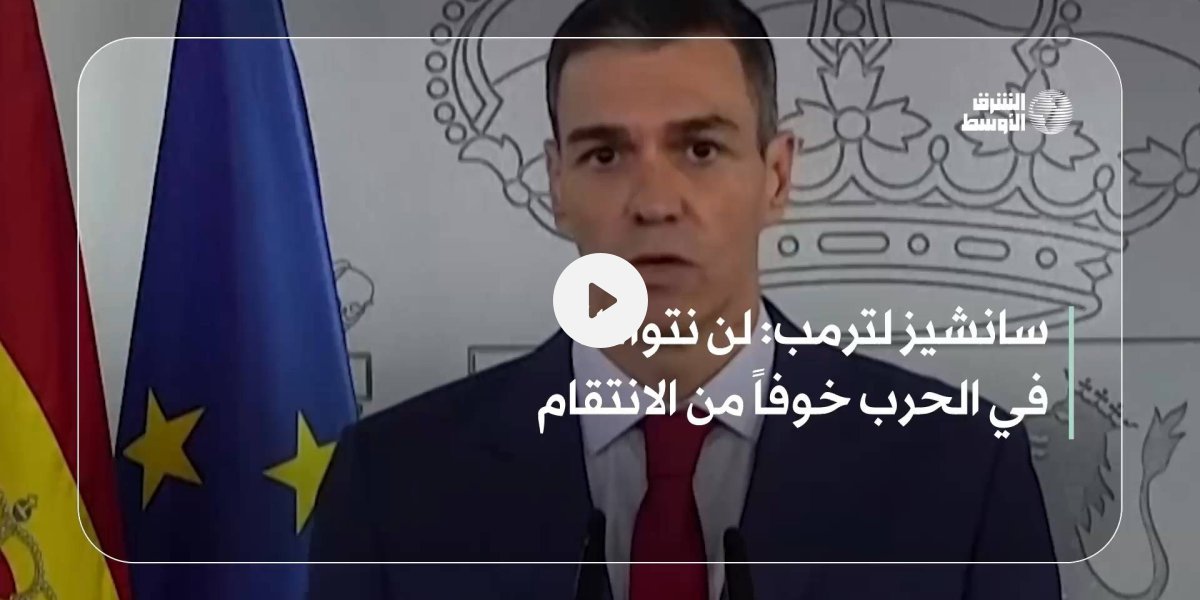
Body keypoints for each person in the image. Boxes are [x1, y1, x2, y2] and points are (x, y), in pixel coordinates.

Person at [308, 0, 1060, 598]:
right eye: (605, 154)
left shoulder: (964, 473)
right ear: (557, 184)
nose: (656, 203)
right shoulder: (392, 482)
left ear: (776, 176)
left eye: (701, 149)